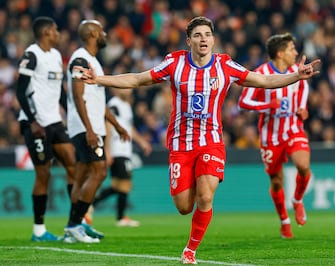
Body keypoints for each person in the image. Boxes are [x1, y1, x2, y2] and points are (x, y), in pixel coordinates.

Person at [75, 16, 320, 264]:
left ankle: (190, 250)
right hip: (181, 145)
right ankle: (190, 205)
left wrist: (295, 76)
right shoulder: (174, 63)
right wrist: (99, 79)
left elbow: (264, 81)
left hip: (211, 141)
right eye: (198, 35)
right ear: (188, 40)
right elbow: (138, 79)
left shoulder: (225, 65)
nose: (203, 39)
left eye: (207, 35)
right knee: (184, 206)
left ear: (213, 39)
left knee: (205, 196)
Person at [238, 32, 313, 239]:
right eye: (292, 49)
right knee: (277, 181)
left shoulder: (295, 72)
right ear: (280, 53)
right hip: (270, 135)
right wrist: (267, 104)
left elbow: (303, 87)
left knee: (304, 166)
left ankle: (297, 200)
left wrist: (302, 109)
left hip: (293, 128)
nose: (296, 52)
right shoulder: (261, 73)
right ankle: (284, 221)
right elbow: (244, 102)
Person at [64, 19, 130, 243]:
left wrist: (118, 125)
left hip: (93, 125)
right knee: (100, 172)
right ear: (92, 33)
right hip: (86, 127)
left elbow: (97, 101)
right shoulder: (80, 59)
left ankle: (75, 225)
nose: (105, 33)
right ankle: (75, 224)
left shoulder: (93, 61)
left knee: (82, 176)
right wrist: (89, 129)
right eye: (101, 30)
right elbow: (77, 94)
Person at [16, 16, 76, 242]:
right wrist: (32, 121)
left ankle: (75, 224)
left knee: (73, 165)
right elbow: (20, 91)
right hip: (35, 123)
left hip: (54, 121)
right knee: (44, 174)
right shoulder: (31, 55)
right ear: (46, 32)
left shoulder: (56, 55)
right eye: (55, 29)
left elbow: (58, 89)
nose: (59, 33)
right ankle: (39, 230)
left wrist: (69, 113)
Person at [85, 88, 152, 227]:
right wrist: (108, 150)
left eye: (129, 89)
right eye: (125, 88)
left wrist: (141, 141)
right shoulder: (114, 104)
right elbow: (108, 125)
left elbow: (129, 128)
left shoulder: (126, 106)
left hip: (125, 149)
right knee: (125, 185)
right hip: (117, 149)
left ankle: (90, 204)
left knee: (117, 186)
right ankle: (120, 217)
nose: (128, 91)